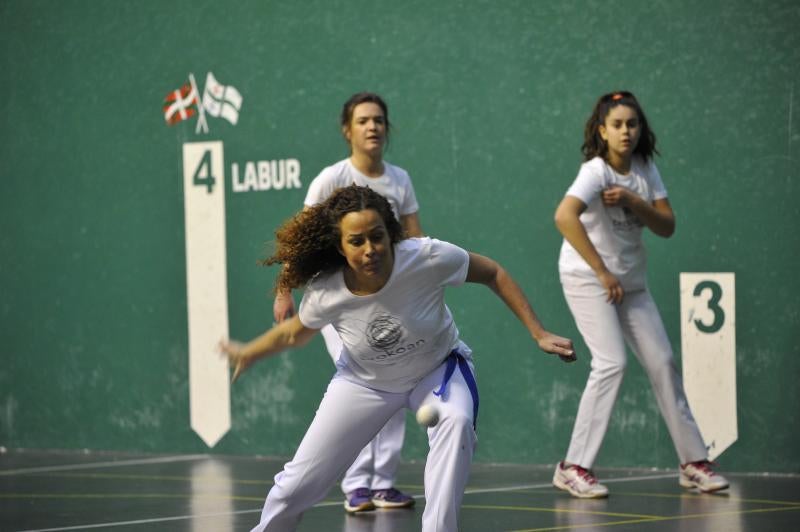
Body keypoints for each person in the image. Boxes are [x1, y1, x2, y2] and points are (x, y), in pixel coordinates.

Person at [221, 184, 576, 532]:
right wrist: (250, 353)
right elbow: (293, 333)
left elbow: (493, 273)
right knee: (295, 485)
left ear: (391, 232)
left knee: (455, 422)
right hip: (363, 382)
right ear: (340, 246)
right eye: (356, 241)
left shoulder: (427, 257)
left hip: (438, 369)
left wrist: (539, 332)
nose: (370, 249)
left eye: (377, 236)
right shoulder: (326, 290)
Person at [552, 91, 729, 498]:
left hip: (630, 283)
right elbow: (563, 216)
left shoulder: (645, 169)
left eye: (632, 124)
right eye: (617, 125)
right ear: (602, 131)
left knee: (663, 361)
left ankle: (692, 462)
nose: (626, 131)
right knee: (611, 363)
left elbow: (666, 225)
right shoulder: (595, 171)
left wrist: (634, 200)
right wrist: (601, 271)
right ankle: (573, 466)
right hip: (587, 278)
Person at [272, 92, 422, 513]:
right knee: (362, 381)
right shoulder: (329, 180)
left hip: (390, 300)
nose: (372, 127)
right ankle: (356, 485)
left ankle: (382, 483)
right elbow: (297, 240)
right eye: (363, 121)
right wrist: (285, 290)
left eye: (378, 120)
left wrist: (422, 283)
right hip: (340, 305)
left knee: (395, 382)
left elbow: (414, 239)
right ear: (348, 130)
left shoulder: (400, 180)